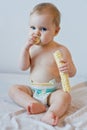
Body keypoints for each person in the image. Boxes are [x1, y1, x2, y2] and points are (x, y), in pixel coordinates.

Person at [8, 3, 76, 126]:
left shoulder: (61, 50)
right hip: (33, 91)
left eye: (43, 29)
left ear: (56, 31)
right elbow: (23, 67)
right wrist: (25, 48)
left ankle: (51, 112)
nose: (37, 33)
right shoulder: (31, 48)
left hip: (52, 92)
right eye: (33, 28)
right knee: (14, 89)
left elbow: (73, 73)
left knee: (65, 97)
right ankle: (31, 104)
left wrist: (69, 68)